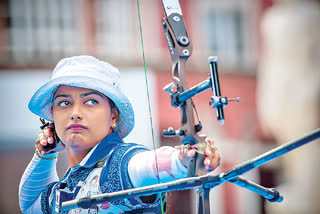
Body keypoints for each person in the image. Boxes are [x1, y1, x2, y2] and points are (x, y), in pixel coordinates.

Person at [19, 55, 220, 213]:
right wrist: (45, 154)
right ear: (53, 118)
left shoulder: (119, 162)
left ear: (113, 114)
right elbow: (29, 205)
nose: (75, 113)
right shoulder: (65, 187)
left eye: (91, 102)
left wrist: (189, 156)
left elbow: (148, 165)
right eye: (64, 103)